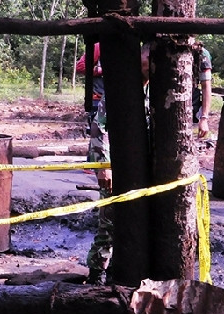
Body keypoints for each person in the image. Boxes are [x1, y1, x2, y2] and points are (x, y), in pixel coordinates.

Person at [85, 42, 151, 285]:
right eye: (148, 57)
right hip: (114, 167)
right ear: (141, 57)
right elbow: (99, 128)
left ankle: (117, 273)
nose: (151, 64)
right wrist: (104, 167)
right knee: (110, 223)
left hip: (138, 169)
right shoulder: (121, 88)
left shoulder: (151, 90)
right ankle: (96, 274)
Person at [190, 38, 213, 139]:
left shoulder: (201, 54)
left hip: (188, 106)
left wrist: (204, 119)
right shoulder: (155, 47)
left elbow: (206, 86)